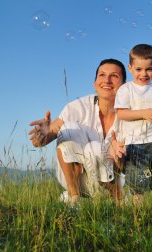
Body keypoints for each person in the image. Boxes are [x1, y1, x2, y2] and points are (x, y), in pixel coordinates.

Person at [29, 59, 127, 206]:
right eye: (101, 75)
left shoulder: (130, 116)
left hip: (111, 183)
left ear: (124, 86)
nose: (107, 80)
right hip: (77, 178)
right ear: (95, 83)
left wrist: (119, 159)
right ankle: (74, 197)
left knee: (95, 148)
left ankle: (116, 201)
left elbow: (127, 166)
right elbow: (44, 139)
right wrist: (42, 135)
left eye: (114, 76)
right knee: (69, 127)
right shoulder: (77, 107)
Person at [114, 44, 152, 207]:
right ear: (130, 68)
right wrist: (143, 113)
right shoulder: (126, 90)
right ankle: (137, 209)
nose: (144, 74)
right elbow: (121, 113)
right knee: (137, 177)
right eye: (138, 69)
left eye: (149, 69)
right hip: (135, 142)